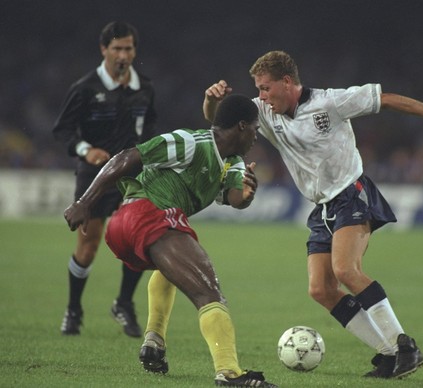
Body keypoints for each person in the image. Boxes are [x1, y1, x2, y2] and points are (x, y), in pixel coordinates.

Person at [202, 51, 423, 380]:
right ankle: (389, 353)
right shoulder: (264, 111)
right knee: (320, 288)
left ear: (287, 82)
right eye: (258, 89)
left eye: (265, 88)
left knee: (346, 269)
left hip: (351, 193)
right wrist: (211, 100)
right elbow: (219, 121)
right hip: (322, 207)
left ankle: (405, 347)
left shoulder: (330, 103)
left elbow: (386, 99)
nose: (261, 96)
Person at [63, 94, 278, 388]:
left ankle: (153, 340)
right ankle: (228, 373)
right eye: (254, 128)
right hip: (145, 214)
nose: (256, 136)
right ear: (242, 126)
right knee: (209, 292)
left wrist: (246, 196)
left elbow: (233, 197)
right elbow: (126, 157)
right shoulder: (192, 143)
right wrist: (85, 202)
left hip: (130, 226)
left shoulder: (233, 162)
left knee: (172, 269)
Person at [53, 21, 157, 337]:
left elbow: (150, 132)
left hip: (133, 176)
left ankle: (123, 303)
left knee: (139, 243)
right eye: (117, 48)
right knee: (89, 245)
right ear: (104, 50)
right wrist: (86, 150)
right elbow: (63, 131)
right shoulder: (84, 88)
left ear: (134, 50)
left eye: (128, 48)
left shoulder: (145, 88)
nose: (123, 54)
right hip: (94, 176)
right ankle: (73, 309)